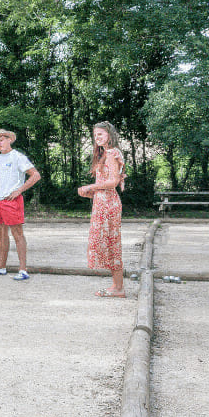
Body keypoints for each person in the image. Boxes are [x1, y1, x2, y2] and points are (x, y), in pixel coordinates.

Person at [0, 129, 40, 281]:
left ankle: (23, 269)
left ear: (9, 139)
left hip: (12, 200)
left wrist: (19, 190)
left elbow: (35, 175)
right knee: (1, 234)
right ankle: (1, 267)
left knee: (17, 234)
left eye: (1, 140)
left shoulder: (18, 157)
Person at [78, 121, 126, 297]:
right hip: (102, 201)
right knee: (108, 244)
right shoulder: (104, 154)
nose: (97, 137)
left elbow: (113, 182)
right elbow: (105, 185)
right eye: (95, 135)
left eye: (101, 134)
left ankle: (118, 288)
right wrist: (90, 193)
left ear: (110, 135)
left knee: (112, 244)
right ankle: (116, 286)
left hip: (108, 204)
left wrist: (91, 186)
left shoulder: (112, 153)